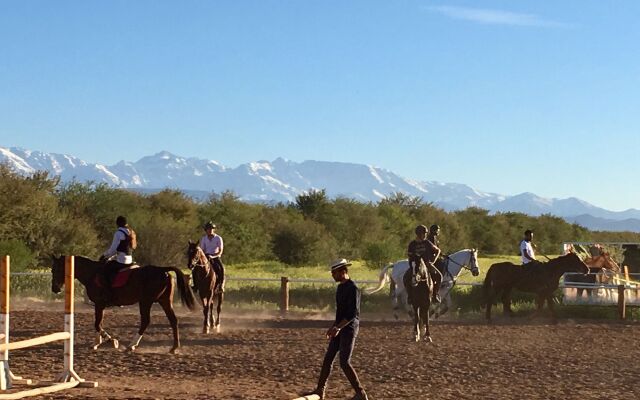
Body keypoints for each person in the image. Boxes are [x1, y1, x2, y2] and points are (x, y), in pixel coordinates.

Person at [305, 259, 368, 400]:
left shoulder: (353, 288)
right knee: (328, 359)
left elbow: (352, 314)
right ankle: (320, 390)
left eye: (334, 273)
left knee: (344, 362)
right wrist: (333, 326)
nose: (332, 275)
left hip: (349, 328)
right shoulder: (340, 288)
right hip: (339, 328)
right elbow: (340, 313)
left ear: (343, 271)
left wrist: (338, 327)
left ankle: (361, 393)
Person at [99, 216, 137, 301]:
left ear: (117, 224)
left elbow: (113, 249)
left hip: (121, 260)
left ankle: (108, 294)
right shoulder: (131, 232)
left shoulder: (118, 233)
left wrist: (104, 255)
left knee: (105, 270)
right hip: (130, 259)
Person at [407, 224, 442, 304]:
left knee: (439, 276)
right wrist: (413, 263)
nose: (426, 235)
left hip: (427, 264)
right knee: (406, 278)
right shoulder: (412, 244)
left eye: (426, 233)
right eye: (424, 233)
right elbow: (409, 256)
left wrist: (433, 260)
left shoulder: (427, 243)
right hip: (415, 265)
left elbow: (438, 251)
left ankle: (434, 294)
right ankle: (410, 296)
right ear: (419, 234)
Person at [196, 221, 225, 292]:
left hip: (215, 257)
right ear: (206, 230)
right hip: (206, 256)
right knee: (195, 269)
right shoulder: (204, 239)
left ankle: (221, 285)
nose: (210, 230)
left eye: (211, 229)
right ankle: (195, 285)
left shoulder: (218, 238)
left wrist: (213, 256)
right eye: (208, 229)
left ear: (214, 229)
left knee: (221, 269)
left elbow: (220, 250)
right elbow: (202, 250)